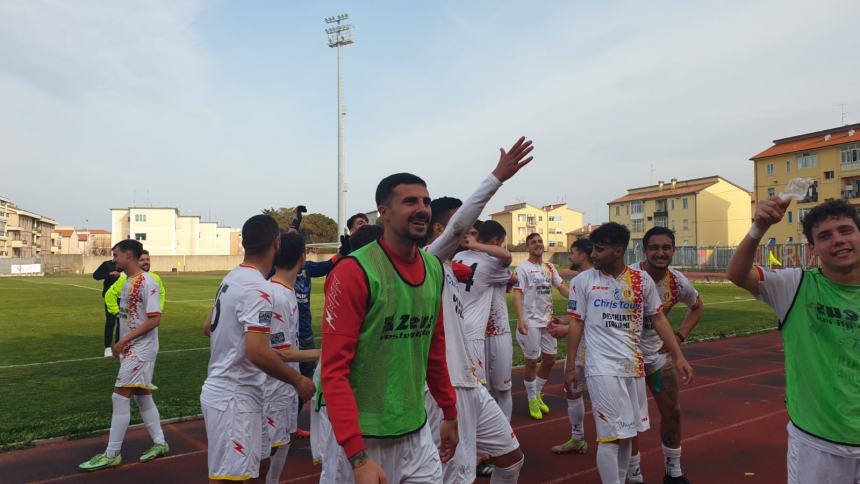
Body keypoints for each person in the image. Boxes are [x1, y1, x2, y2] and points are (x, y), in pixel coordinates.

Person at [319, 173, 459, 483]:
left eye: (425, 201)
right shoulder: (354, 271)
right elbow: (333, 371)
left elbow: (434, 349)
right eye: (410, 201)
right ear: (383, 212)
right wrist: (357, 457)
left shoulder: (434, 268)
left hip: (417, 431)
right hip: (362, 440)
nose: (422, 209)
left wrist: (449, 412)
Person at [727, 198, 860, 484]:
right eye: (825, 236)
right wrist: (759, 227)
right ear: (812, 249)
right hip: (818, 443)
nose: (838, 240)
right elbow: (737, 274)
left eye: (845, 230)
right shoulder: (795, 285)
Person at [564, 222, 693, 484]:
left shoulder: (640, 280)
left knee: (627, 435)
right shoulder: (582, 281)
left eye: (599, 250)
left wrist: (678, 355)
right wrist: (570, 367)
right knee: (610, 437)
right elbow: (576, 323)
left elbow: (658, 319)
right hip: (601, 368)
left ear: (618, 250)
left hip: (633, 367)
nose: (594, 255)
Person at [200, 214, 315, 483]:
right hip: (234, 398)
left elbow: (208, 327)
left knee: (260, 465)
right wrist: (298, 379)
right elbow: (257, 352)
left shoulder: (233, 277)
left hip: (243, 394)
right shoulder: (258, 289)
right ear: (276, 243)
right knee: (231, 477)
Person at [78, 239, 169, 471]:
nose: (114, 259)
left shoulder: (148, 283)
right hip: (132, 347)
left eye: (116, 255)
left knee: (119, 396)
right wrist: (124, 343)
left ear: (128, 255)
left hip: (142, 348)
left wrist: (123, 341)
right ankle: (160, 443)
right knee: (142, 396)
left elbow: (154, 319)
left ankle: (112, 453)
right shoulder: (127, 282)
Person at [627, 227, 703, 484]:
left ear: (673, 250)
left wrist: (679, 337)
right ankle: (634, 473)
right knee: (631, 420)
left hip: (658, 357)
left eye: (666, 247)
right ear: (644, 250)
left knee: (673, 412)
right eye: (654, 247)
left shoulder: (677, 281)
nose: (661, 253)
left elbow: (697, 307)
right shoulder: (628, 276)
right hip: (628, 358)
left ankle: (673, 471)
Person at [262, 232, 321, 484]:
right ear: (302, 258)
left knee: (279, 446)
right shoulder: (278, 296)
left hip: (282, 388)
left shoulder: (283, 293)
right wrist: (323, 352)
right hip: (274, 387)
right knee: (268, 452)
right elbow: (278, 352)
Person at [454, 220, 516, 421]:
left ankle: (499, 436)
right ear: (497, 240)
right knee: (489, 390)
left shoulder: (458, 257)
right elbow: (507, 260)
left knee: (495, 389)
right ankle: (493, 437)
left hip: (492, 329)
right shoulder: (491, 263)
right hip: (480, 331)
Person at [513, 232, 569, 420]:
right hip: (531, 322)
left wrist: (581, 295)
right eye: (533, 242)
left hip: (548, 321)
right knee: (531, 361)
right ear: (528, 247)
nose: (538, 244)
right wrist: (521, 319)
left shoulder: (549, 267)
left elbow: (561, 288)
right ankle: (531, 398)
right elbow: (518, 294)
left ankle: (537, 392)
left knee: (550, 360)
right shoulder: (522, 268)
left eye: (540, 241)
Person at [547, 238, 593, 455]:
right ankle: (577, 438)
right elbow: (581, 315)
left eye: (573, 252)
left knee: (598, 396)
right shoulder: (579, 280)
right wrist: (564, 320)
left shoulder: (586, 280)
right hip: (579, 349)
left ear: (583, 255)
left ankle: (615, 445)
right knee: (572, 391)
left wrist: (567, 330)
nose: (570, 256)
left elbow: (597, 320)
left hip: (596, 350)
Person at [105, 250, 165, 317]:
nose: (146, 262)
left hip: (150, 318)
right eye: (142, 260)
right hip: (131, 321)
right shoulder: (126, 277)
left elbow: (161, 293)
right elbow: (110, 294)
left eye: (147, 259)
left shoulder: (155, 278)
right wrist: (116, 312)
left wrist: (159, 308)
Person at [93, 247, 123, 357]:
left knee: (121, 323)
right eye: (115, 255)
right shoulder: (106, 265)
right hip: (109, 297)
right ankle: (107, 348)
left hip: (123, 298)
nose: (116, 257)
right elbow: (95, 276)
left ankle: (118, 347)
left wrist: (120, 274)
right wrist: (109, 274)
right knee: (110, 322)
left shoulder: (124, 266)